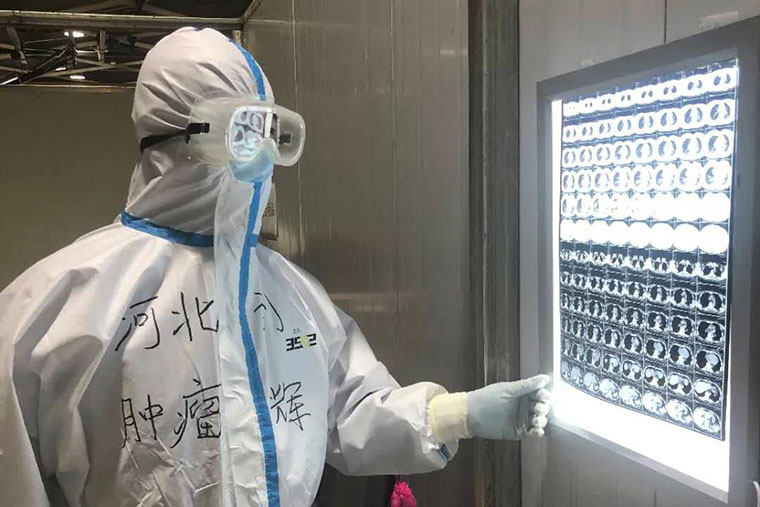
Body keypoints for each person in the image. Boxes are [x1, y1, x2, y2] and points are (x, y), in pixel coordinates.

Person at [0, 27, 551, 507]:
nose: (263, 159)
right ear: (179, 137)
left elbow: (351, 410)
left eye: (273, 136)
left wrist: (461, 414)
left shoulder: (293, 295)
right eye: (243, 134)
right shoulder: (57, 306)